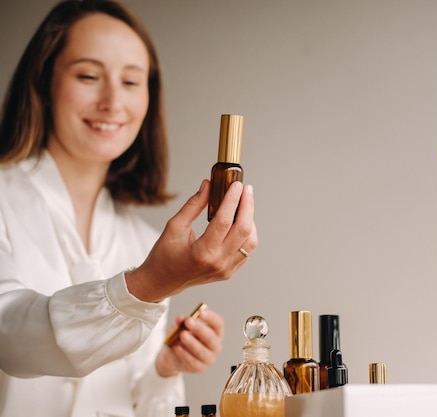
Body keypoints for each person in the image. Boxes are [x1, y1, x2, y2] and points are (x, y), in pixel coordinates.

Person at [0, 0, 258, 416]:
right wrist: (148, 284)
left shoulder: (142, 238)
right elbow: (9, 336)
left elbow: (135, 403)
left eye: (132, 82)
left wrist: (164, 367)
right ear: (44, 81)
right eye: (88, 75)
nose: (112, 101)